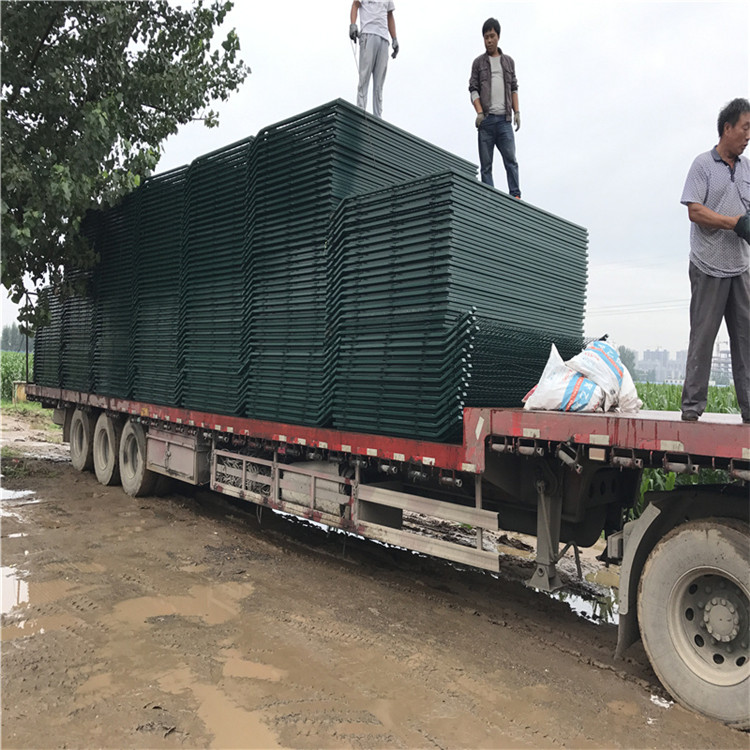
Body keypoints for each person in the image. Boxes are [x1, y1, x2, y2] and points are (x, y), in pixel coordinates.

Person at [680, 97, 750, 423]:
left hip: (740, 267)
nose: (748, 136)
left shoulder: (747, 169)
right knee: (703, 337)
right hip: (708, 265)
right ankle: (692, 409)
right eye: (745, 128)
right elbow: (694, 211)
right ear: (727, 128)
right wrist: (733, 223)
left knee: (746, 340)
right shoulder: (703, 165)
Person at [468, 17, 521, 198]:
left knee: (511, 161)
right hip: (487, 120)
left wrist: (517, 112)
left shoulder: (508, 62)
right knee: (486, 166)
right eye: (486, 37)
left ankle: (515, 196)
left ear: (498, 37)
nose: (489, 40)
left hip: (505, 121)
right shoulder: (478, 63)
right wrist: (479, 112)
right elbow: (473, 89)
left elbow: (514, 88)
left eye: (492, 36)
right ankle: (488, 200)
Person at [349, 1, 398, 119]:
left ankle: (378, 117)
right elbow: (355, 4)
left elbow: (389, 16)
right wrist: (353, 24)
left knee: (379, 83)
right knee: (364, 77)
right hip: (368, 33)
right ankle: (360, 111)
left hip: (384, 38)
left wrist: (394, 38)